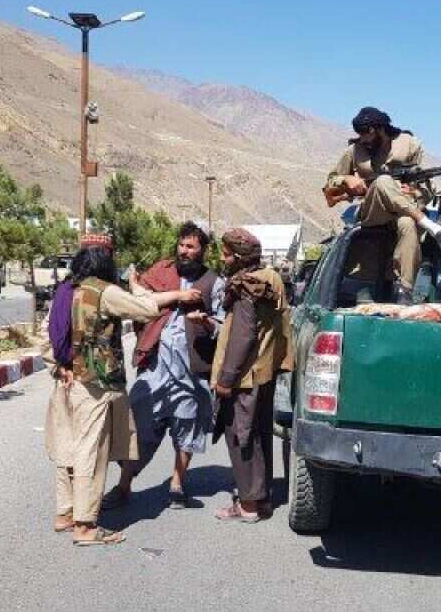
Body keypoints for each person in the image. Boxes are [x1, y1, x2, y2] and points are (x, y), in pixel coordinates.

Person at [43, 243, 201, 546]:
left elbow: (47, 334)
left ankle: (65, 513)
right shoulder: (105, 292)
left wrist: (58, 367)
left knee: (68, 448)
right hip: (95, 385)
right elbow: (146, 309)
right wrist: (135, 285)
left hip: (66, 381)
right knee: (91, 450)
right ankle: (86, 525)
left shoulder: (66, 290)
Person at [103, 222, 224, 511]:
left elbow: (223, 326)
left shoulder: (214, 283)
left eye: (191, 246)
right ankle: (123, 486)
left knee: (188, 425)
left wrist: (206, 322)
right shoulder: (160, 272)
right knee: (139, 426)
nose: (184, 250)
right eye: (182, 244)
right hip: (155, 366)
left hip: (190, 369)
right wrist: (178, 297)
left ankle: (177, 483)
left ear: (203, 250)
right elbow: (137, 300)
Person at [323, 106, 441, 303]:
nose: (363, 139)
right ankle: (431, 226)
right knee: (384, 181)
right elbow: (329, 186)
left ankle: (404, 291)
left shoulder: (410, 145)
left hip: (405, 209)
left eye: (365, 134)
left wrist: (415, 193)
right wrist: (346, 179)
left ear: (379, 129)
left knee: (408, 225)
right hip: (373, 210)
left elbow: (427, 188)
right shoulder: (354, 150)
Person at [212, 228, 292, 523]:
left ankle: (247, 505)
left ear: (238, 257)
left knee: (241, 436)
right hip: (264, 371)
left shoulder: (247, 286)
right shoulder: (270, 278)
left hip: (245, 376)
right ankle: (262, 500)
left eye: (225, 253)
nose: (222, 258)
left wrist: (225, 379)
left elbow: (243, 337)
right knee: (258, 434)